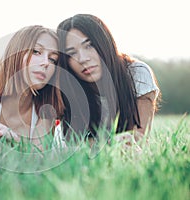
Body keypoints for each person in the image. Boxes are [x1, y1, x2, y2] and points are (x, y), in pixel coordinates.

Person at [56, 14, 161, 146]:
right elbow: (70, 146)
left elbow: (137, 140)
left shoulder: (136, 74)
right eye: (71, 53)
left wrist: (91, 145)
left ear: (104, 42)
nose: (82, 59)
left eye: (89, 46)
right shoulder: (67, 86)